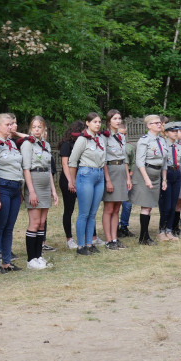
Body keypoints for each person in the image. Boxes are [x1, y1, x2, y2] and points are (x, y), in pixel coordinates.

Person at [0, 113, 25, 274]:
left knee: (9, 227)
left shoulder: (11, 143)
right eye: (8, 124)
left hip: (16, 187)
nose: (11, 127)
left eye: (12, 124)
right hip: (2, 186)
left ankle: (7, 262)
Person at [21, 116, 58, 268]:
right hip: (34, 182)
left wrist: (53, 190)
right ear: (30, 129)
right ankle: (31, 260)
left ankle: (39, 256)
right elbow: (26, 168)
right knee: (35, 222)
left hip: (45, 183)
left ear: (44, 129)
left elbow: (49, 169)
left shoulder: (46, 145)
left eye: (39, 127)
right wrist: (31, 191)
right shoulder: (27, 144)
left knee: (42, 223)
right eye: (34, 127)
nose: (37, 130)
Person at [68, 112, 106, 254]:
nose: (98, 124)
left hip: (99, 175)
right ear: (87, 123)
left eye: (99, 121)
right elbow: (72, 161)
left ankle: (89, 244)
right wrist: (72, 181)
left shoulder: (101, 139)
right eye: (95, 121)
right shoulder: (82, 139)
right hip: (86, 174)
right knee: (84, 213)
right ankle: (81, 246)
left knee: (93, 212)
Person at [132, 115, 168, 243]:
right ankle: (143, 237)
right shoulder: (144, 140)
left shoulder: (162, 140)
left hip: (157, 174)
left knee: (150, 206)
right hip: (145, 174)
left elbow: (164, 162)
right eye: (156, 123)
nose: (159, 125)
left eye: (160, 123)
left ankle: (145, 236)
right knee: (146, 205)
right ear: (149, 125)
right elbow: (140, 162)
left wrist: (164, 179)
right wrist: (146, 179)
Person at [101, 110, 132, 249]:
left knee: (117, 208)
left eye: (119, 118)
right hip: (111, 171)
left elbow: (124, 158)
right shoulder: (104, 137)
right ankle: (108, 240)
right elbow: (103, 160)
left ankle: (115, 238)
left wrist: (127, 178)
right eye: (115, 119)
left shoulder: (121, 136)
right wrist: (107, 180)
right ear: (109, 121)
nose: (118, 121)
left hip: (121, 172)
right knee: (109, 208)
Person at [58, 120, 84, 248]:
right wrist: (70, 181)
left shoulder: (82, 143)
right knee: (69, 209)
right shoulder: (66, 145)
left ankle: (92, 235)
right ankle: (69, 239)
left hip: (81, 178)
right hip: (68, 180)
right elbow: (65, 164)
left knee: (85, 208)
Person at [161, 122, 181, 238]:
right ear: (166, 133)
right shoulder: (163, 145)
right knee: (167, 205)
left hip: (177, 172)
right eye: (173, 131)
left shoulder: (179, 146)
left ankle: (169, 229)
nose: (175, 133)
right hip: (167, 172)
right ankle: (162, 229)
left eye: (177, 131)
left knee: (174, 203)